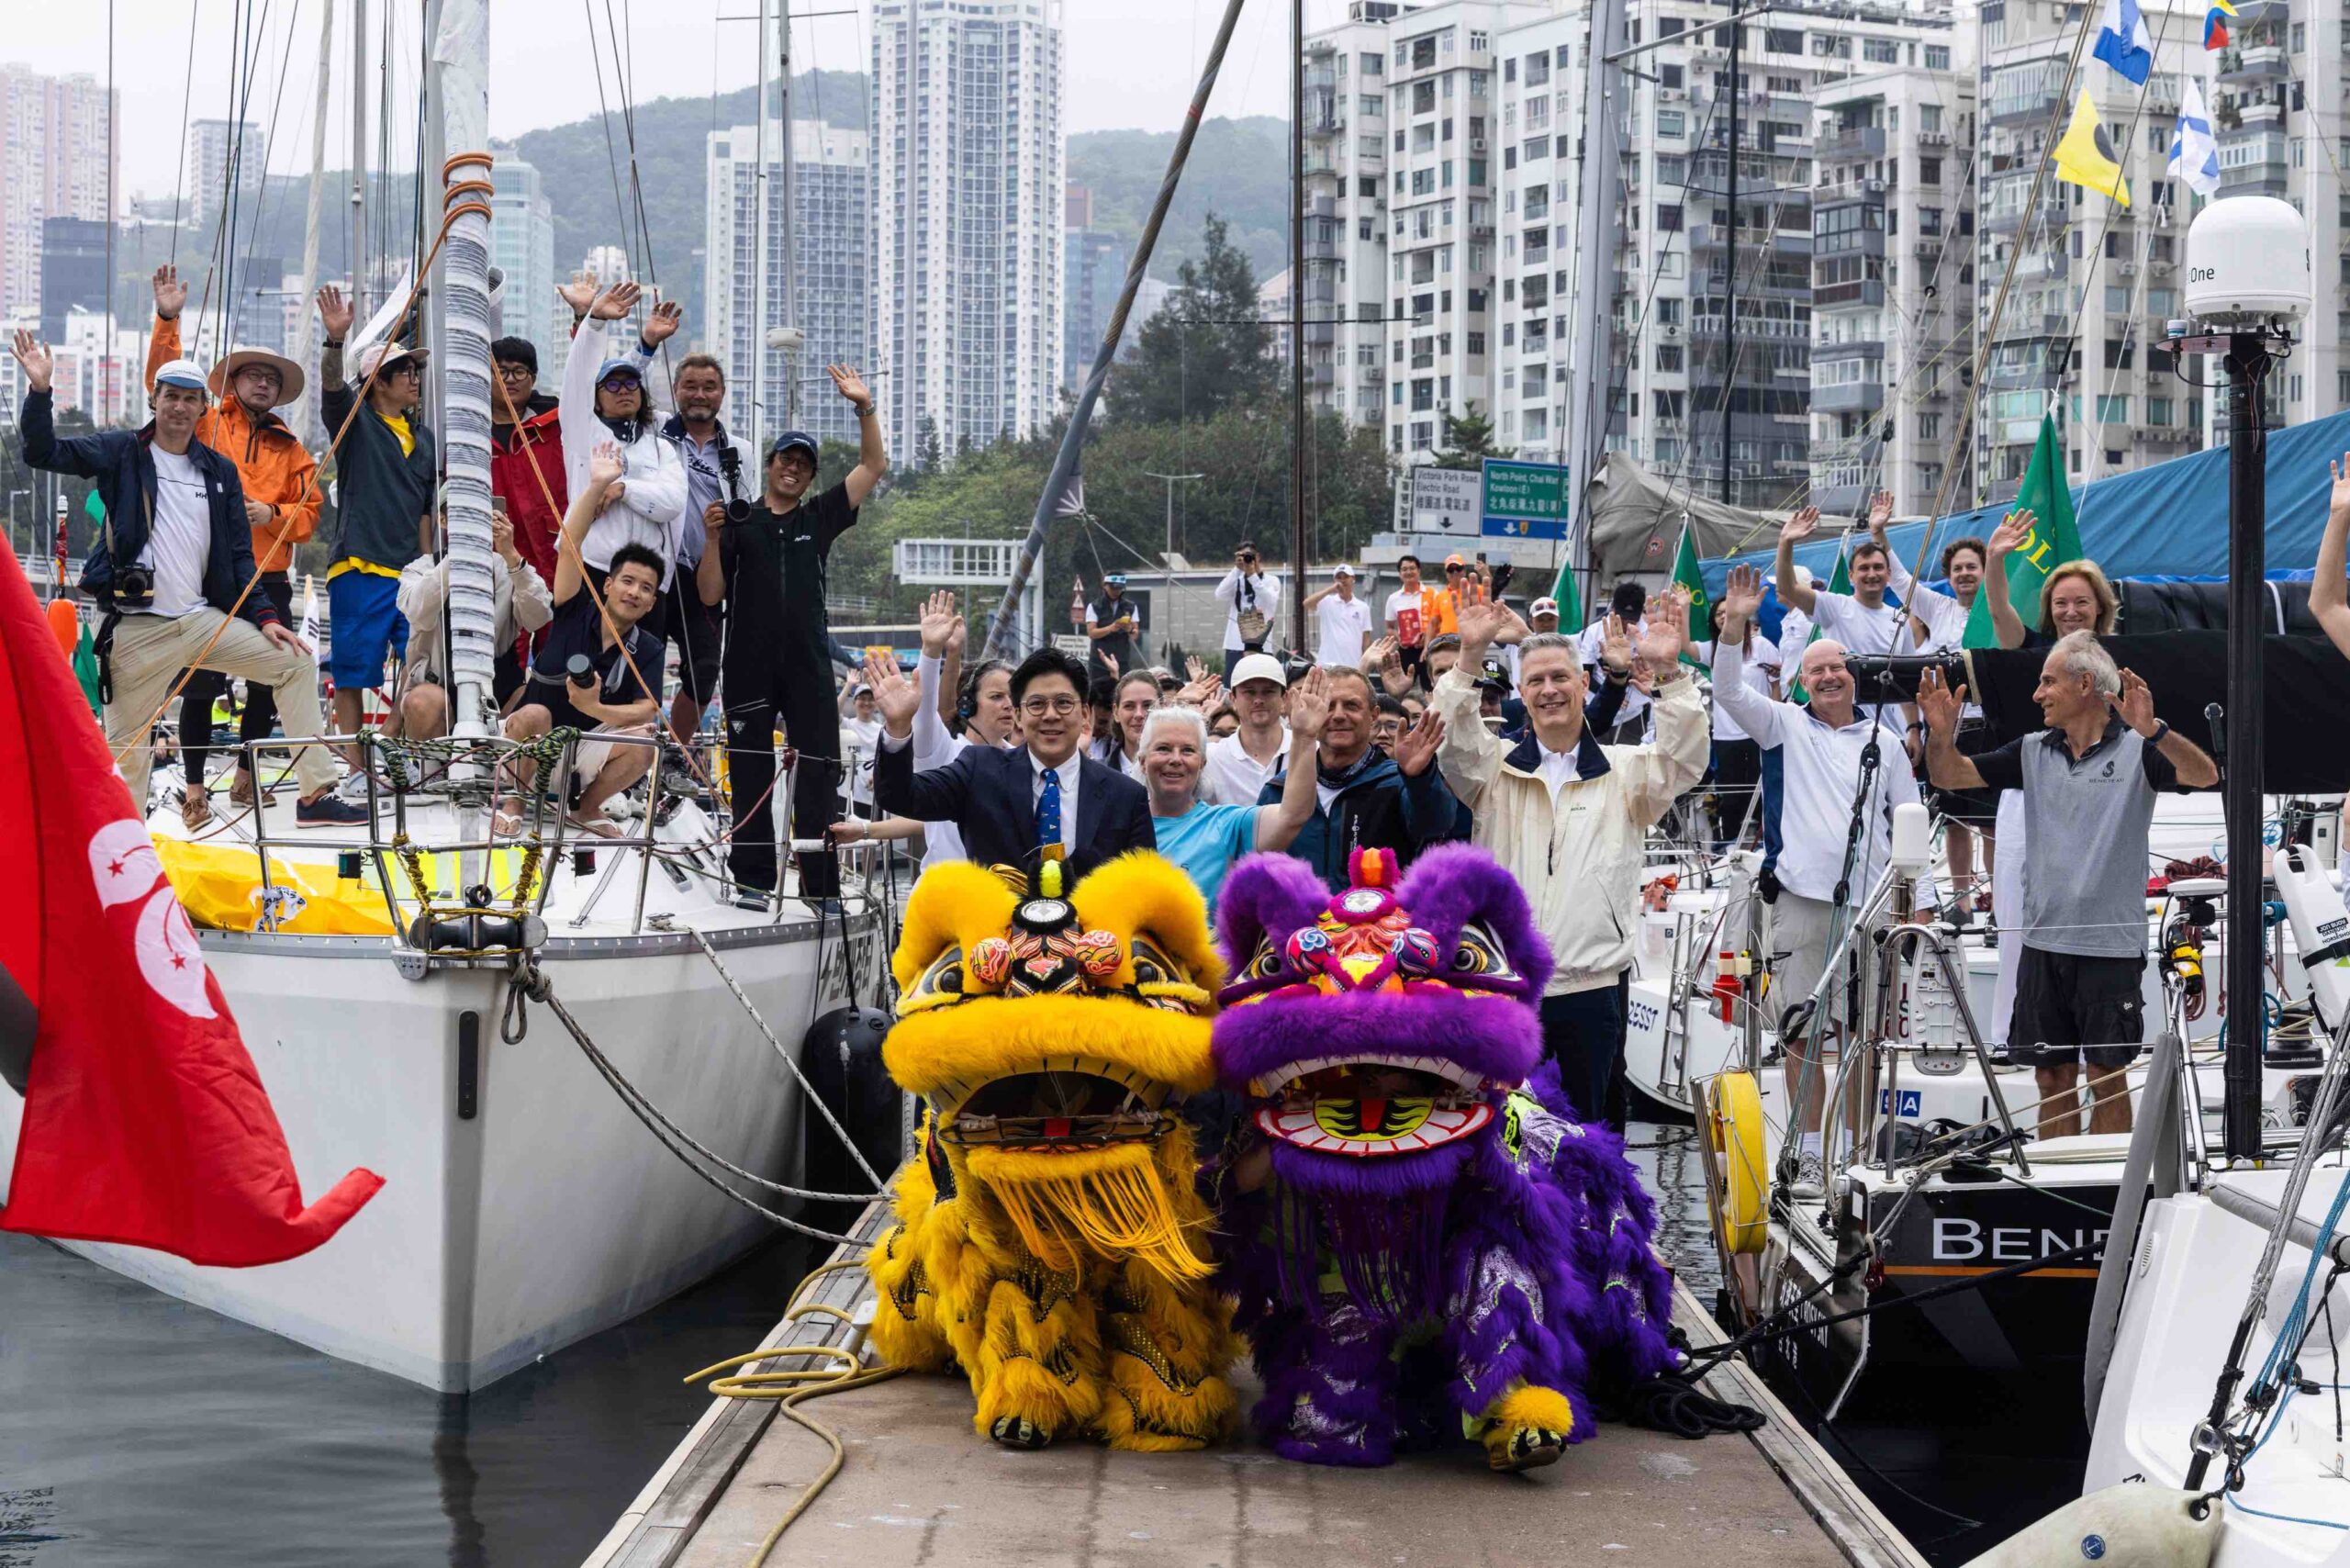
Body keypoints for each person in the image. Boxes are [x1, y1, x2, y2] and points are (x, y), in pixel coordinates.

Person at [12, 330, 361, 825]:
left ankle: (314, 794)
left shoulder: (218, 471)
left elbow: (241, 558)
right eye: (170, 396)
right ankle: (127, 861)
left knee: (294, 661)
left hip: (201, 622)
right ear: (154, 401)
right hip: (138, 627)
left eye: (189, 399)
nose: (179, 407)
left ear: (203, 408)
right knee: (126, 755)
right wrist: (41, 392)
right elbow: (42, 453)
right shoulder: (122, 452)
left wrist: (265, 617)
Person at [1920, 636, 2215, 1138]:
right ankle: (2057, 1183)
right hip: (2041, 944)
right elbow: (1949, 775)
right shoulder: (2032, 750)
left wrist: (2156, 729)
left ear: (2085, 685)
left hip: (2109, 946)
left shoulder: (2141, 750)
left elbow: (2204, 775)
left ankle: (2107, 1193)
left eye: (2048, 681)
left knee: (2107, 1076)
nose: (2038, 694)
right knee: (2050, 1077)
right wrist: (1940, 735)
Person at [1438, 586, 1706, 1124]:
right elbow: (1455, 742)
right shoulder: (1492, 770)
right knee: (1505, 1140)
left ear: (1585, 683)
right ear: (1520, 690)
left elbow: (1684, 760)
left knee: (1591, 1142)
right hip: (1507, 988)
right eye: (1535, 680)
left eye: (1561, 677)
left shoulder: (1626, 770)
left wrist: (1671, 674)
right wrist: (1469, 659)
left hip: (1593, 989)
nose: (1549, 689)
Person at [1712, 564, 1923, 1190]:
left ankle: (1855, 1153)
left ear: (1852, 675)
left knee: (1865, 1036)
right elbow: (1727, 692)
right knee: (1804, 1033)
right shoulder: (1783, 726)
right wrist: (1736, 625)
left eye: (1837, 667)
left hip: (1874, 910)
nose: (1828, 676)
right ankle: (1806, 1154)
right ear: (1801, 681)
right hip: (1802, 905)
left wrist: (1923, 905)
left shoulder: (1884, 741)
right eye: (1816, 670)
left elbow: (1910, 821)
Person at [697, 364, 885, 905]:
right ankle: (752, 879)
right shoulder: (739, 521)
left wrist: (863, 406)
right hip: (748, 663)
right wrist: (712, 539)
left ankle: (819, 884)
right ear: (771, 464)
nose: (793, 470)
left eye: (804, 465)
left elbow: (874, 464)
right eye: (786, 460)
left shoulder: (820, 517)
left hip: (806, 664)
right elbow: (710, 596)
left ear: (809, 476)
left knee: (820, 770)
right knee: (751, 771)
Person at [146, 263, 319, 824]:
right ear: (235, 382)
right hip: (204, 571)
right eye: (253, 375)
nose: (262, 383)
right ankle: (195, 790)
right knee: (199, 683)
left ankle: (246, 779)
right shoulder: (204, 421)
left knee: (272, 676)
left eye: (271, 378)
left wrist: (272, 512)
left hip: (268, 572)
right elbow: (163, 383)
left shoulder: (292, 447)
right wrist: (169, 318)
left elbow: (311, 514)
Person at [870, 644, 1155, 884]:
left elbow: (1142, 888)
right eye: (1037, 704)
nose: (1051, 715)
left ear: (1084, 714)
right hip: (992, 944)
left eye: (1064, 703)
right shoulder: (979, 770)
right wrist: (898, 726)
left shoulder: (1126, 795)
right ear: (1017, 716)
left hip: (1092, 945)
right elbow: (900, 796)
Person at [501, 442, 663, 836]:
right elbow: (571, 548)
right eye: (627, 581)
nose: (634, 592)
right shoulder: (575, 607)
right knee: (537, 714)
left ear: (651, 603)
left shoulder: (649, 648)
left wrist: (596, 708)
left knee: (646, 742)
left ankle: (587, 809)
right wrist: (596, 487)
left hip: (584, 751)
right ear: (607, 585)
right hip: (527, 743)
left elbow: (647, 710)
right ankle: (514, 802)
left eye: (645, 588)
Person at [317, 285, 436, 769]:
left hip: (411, 571)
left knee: (419, 660)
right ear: (379, 383)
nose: (414, 378)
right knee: (352, 668)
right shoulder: (355, 423)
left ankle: (390, 734)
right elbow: (331, 387)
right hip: (359, 564)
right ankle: (353, 761)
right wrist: (334, 342)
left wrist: (429, 565)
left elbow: (427, 505)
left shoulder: (425, 437)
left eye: (415, 370)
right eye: (404, 371)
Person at [1269, 666, 1461, 888]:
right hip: (1298, 921)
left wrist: (1419, 778)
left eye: (1351, 705)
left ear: (1373, 715)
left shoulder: (1396, 784)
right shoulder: (1279, 790)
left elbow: (1437, 823)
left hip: (1380, 919)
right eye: (1328, 706)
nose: (1339, 715)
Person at [1142, 677, 1326, 906]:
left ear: (1202, 763)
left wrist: (1305, 737)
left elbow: (1292, 815)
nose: (1176, 759)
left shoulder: (1225, 824)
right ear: (1142, 761)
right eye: (1163, 749)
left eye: (1188, 750)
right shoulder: (1120, 824)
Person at [562, 282, 688, 599]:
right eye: (612, 386)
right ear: (595, 398)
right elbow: (578, 376)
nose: (624, 391)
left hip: (646, 581)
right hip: (592, 569)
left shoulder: (659, 447)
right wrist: (594, 321)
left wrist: (623, 490)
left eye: (631, 383)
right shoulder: (582, 433)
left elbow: (672, 502)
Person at [393, 505, 553, 739]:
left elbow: (538, 617)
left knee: (536, 707)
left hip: (501, 689)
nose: (474, 523)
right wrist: (459, 556)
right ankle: (429, 773)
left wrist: (511, 556)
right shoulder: (421, 568)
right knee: (422, 701)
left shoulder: (507, 568)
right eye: (464, 515)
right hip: (437, 687)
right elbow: (417, 611)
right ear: (444, 521)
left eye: (482, 516)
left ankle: (506, 774)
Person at [661, 350, 747, 745]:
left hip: (708, 575)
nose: (699, 394)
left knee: (706, 669)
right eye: (690, 386)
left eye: (709, 387)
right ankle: (631, 754)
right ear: (676, 390)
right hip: (657, 570)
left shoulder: (739, 451)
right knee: (639, 663)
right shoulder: (655, 434)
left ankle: (673, 751)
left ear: (722, 393)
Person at [1691, 606, 1784, 851]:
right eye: (1719, 613)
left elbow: (1776, 681)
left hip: (1759, 731)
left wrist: (1777, 720)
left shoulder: (1762, 644)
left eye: (1727, 611)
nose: (1724, 616)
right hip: (1725, 734)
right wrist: (1681, 608)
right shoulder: (1714, 648)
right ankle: (1728, 844)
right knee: (1730, 795)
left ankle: (1767, 842)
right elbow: (1685, 648)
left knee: (1762, 792)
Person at [488, 333, 567, 607]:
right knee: (505, 644)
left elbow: (585, 386)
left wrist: (584, 320)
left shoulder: (556, 424)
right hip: (495, 561)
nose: (510, 379)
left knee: (558, 641)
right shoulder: (470, 430)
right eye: (501, 371)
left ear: (532, 378)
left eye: (519, 371)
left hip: (555, 553)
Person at [1203, 653, 1289, 805]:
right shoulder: (1212, 758)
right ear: (1233, 699)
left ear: (1284, 698)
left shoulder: (1309, 751)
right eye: (1249, 692)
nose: (1258, 700)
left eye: (1268, 692)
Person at [1579, 580, 1651, 744]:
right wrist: (1612, 695)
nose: (1626, 625)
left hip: (1632, 713)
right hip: (1598, 709)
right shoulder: (1594, 631)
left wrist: (1629, 673)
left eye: (1632, 621)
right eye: (1622, 619)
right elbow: (1585, 674)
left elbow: (1652, 676)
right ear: (1612, 610)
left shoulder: (1648, 633)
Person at [1214, 542, 1280, 679]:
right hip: (1235, 644)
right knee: (1233, 686)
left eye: (1249, 556)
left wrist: (1252, 576)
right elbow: (1219, 594)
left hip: (1262, 645)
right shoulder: (1235, 580)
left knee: (1262, 684)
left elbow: (1270, 601)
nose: (1247, 560)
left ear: (1258, 557)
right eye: (1242, 557)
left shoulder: (1271, 580)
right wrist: (1237, 569)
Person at [1304, 564, 1371, 668]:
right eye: (1339, 578)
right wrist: (1329, 590)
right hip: (1327, 664)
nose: (1342, 581)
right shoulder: (1326, 602)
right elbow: (1307, 603)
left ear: (1353, 579)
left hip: (1353, 665)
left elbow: (1366, 640)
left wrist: (1365, 665)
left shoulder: (1363, 607)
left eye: (1346, 577)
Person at [838, 674, 883, 817]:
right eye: (862, 699)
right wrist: (848, 685)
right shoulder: (847, 724)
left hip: (870, 795)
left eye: (870, 699)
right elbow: (833, 711)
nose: (866, 703)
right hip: (845, 794)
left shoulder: (882, 729)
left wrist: (879, 776)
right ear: (854, 702)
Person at [1108, 669, 1160, 780]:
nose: (1139, 714)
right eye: (1129, 706)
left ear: (1163, 709)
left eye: (1148, 705)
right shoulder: (1097, 774)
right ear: (1116, 712)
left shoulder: (1177, 772)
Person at [1085, 573, 1140, 678]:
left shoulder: (1130, 606)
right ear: (1105, 586)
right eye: (1113, 588)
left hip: (1121, 658)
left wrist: (1130, 629)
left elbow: (1135, 634)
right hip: (1099, 659)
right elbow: (1092, 633)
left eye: (1119, 588)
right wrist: (1111, 628)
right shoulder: (1094, 606)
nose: (1116, 591)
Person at [1385, 554, 1429, 679]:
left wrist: (1428, 637)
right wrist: (1399, 638)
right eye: (1404, 569)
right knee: (1404, 689)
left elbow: (1438, 623)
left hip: (1428, 649)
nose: (1408, 572)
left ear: (1419, 571)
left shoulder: (1432, 594)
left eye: (1412, 568)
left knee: (1431, 688)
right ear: (1400, 574)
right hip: (1405, 651)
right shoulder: (1393, 599)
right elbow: (1389, 627)